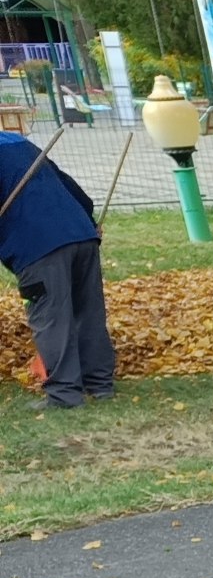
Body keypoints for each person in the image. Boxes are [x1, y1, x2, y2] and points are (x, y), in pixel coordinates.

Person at [1, 129, 115, 410]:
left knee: (51, 318)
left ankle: (65, 396)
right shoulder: (17, 142)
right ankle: (100, 385)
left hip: (36, 245)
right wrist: (87, 219)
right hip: (81, 234)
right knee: (88, 312)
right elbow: (68, 185)